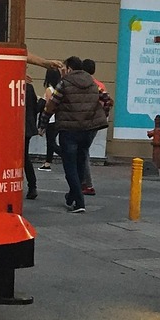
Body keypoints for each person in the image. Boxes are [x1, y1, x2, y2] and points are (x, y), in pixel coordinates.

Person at [44, 56, 111, 213]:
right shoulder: (93, 83)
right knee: (81, 162)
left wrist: (43, 122)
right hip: (87, 129)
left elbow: (52, 103)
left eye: (64, 68)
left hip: (69, 129)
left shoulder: (64, 83)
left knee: (70, 166)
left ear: (69, 69)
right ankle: (72, 196)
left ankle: (79, 202)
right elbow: (107, 100)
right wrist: (102, 114)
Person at [79, 58, 108, 196]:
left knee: (83, 152)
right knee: (84, 151)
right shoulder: (100, 85)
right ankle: (84, 182)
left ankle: (86, 183)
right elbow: (106, 102)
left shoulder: (83, 84)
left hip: (84, 121)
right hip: (96, 122)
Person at [39, 67, 61, 171]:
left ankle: (64, 155)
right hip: (58, 118)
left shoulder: (49, 90)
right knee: (52, 141)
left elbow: (48, 106)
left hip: (51, 119)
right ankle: (47, 162)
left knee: (51, 142)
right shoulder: (59, 89)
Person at [23, 76, 40, 200]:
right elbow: (34, 108)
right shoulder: (29, 88)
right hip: (27, 126)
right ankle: (32, 186)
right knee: (25, 157)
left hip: (14, 126)